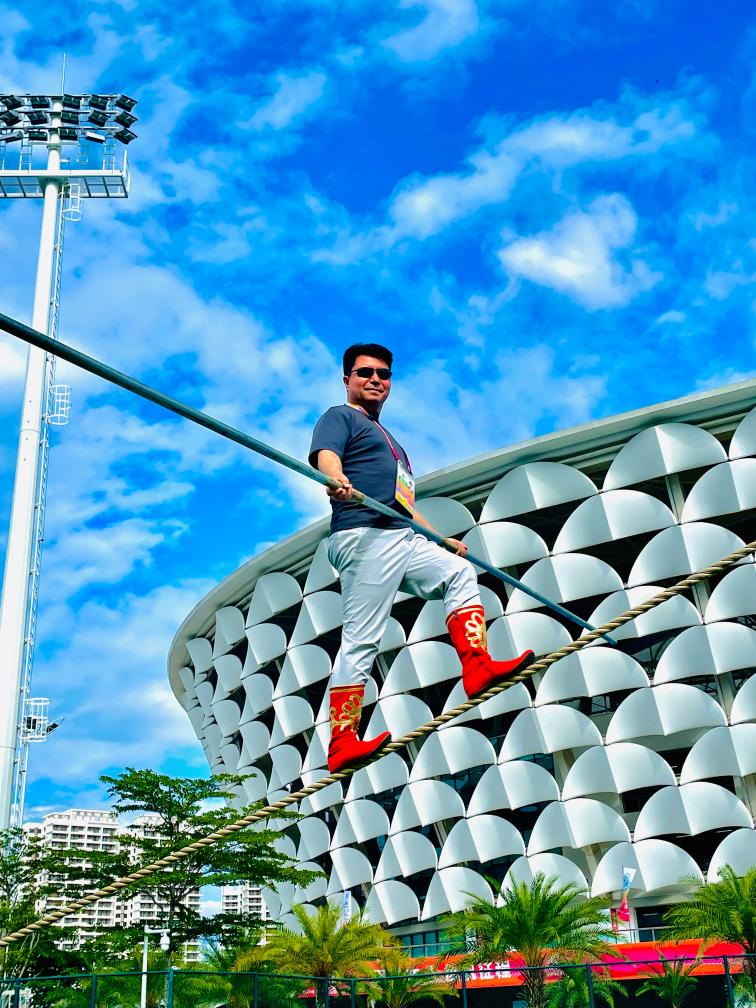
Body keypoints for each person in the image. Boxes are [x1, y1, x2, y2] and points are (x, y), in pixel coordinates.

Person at [309, 343, 534, 774]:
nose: (376, 379)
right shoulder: (339, 417)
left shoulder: (391, 442)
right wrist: (335, 478)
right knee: (362, 638)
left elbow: (403, 503)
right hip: (365, 534)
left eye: (384, 374)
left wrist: (438, 537)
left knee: (458, 572)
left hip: (398, 533)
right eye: (365, 372)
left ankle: (477, 667)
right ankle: (341, 742)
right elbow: (326, 457)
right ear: (347, 379)